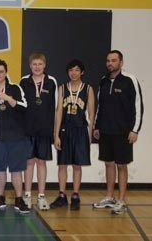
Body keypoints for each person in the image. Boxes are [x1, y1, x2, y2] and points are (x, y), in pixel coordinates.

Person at [92, 50, 143, 214]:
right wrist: (97, 126)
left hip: (123, 132)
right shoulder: (103, 81)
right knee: (108, 164)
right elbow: (100, 106)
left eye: (113, 60)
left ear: (121, 62)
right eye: (108, 61)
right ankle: (109, 197)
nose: (110, 63)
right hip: (106, 131)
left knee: (122, 165)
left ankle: (121, 200)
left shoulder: (130, 80)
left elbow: (138, 106)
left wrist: (135, 130)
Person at [0, 59, 29, 214]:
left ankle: (19, 199)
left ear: (6, 73)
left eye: (1, 71)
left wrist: (8, 98)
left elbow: (25, 107)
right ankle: (0, 198)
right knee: (0, 170)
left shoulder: (15, 89)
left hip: (16, 137)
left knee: (16, 170)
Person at [50, 59, 95, 211]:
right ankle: (62, 195)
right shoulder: (62, 88)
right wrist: (56, 135)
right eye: (71, 70)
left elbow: (91, 113)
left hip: (80, 130)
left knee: (77, 165)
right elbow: (58, 113)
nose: (73, 73)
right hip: (65, 130)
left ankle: (75, 195)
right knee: (62, 164)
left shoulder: (88, 89)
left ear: (82, 72)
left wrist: (89, 136)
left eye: (76, 70)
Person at [19, 52, 57, 210]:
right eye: (34, 64)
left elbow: (55, 107)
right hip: (27, 129)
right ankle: (27, 194)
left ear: (44, 65)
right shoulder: (24, 81)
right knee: (28, 162)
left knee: (41, 162)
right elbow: (21, 107)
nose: (37, 67)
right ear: (30, 66)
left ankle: (41, 196)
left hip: (44, 130)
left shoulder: (51, 82)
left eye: (40, 64)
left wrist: (54, 131)